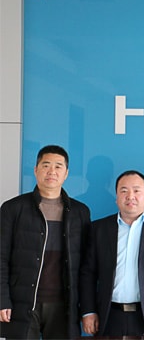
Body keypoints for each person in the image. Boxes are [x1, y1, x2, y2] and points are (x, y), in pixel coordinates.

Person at [0, 145, 91, 339]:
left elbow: (86, 265)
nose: (52, 171)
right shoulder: (13, 208)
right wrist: (2, 300)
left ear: (66, 173)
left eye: (58, 166)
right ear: (36, 170)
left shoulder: (80, 212)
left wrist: (86, 308)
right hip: (22, 303)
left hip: (64, 305)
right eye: (46, 165)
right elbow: (1, 257)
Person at [79, 170, 144, 336]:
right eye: (124, 191)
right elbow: (88, 273)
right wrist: (88, 311)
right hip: (109, 315)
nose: (130, 196)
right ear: (116, 197)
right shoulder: (99, 228)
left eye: (136, 190)